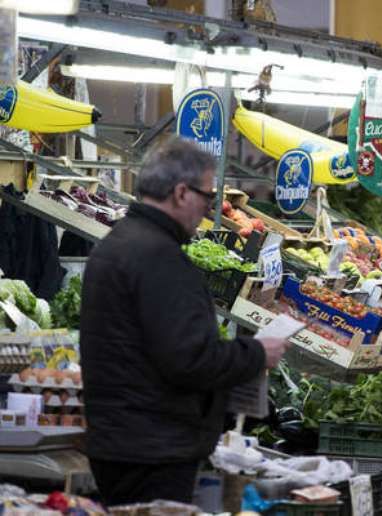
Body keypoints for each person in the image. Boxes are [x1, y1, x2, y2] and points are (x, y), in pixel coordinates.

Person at [80, 138, 289, 506]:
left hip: (121, 442)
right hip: (154, 449)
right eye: (208, 197)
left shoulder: (116, 244)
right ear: (181, 193)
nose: (209, 209)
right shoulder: (159, 257)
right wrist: (256, 353)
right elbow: (189, 360)